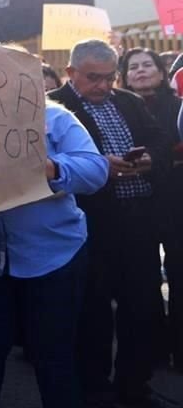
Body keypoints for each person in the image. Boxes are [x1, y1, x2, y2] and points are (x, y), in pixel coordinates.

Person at [0, 96, 108, 408]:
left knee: (53, 355)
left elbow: (96, 170)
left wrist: (51, 168)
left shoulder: (55, 117)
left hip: (54, 255)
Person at [48, 39, 168, 407]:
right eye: (93, 78)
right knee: (93, 309)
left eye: (109, 77)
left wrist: (150, 158)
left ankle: (135, 383)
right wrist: (98, 166)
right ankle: (95, 385)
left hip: (138, 219)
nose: (102, 86)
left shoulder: (129, 101)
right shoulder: (56, 106)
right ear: (71, 73)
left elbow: (160, 141)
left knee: (141, 304)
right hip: (89, 222)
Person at [120, 48, 183, 369]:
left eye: (148, 65)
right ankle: (153, 351)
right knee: (143, 283)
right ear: (124, 75)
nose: (141, 71)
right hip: (136, 208)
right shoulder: (119, 108)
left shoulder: (178, 107)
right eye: (133, 67)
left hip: (176, 203)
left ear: (161, 72)